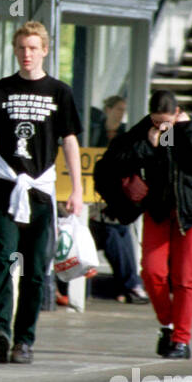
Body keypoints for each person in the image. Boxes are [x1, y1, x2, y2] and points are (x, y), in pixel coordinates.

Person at [0, 21, 85, 365]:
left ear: (45, 50)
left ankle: (25, 339)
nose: (26, 54)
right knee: (3, 261)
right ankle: (1, 331)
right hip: (6, 184)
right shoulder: (2, 89)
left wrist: (77, 189)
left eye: (33, 47)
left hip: (40, 189)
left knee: (36, 270)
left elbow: (69, 141)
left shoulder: (59, 92)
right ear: (15, 50)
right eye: (21, 47)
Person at [94, 90, 192, 359]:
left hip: (190, 212)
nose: (162, 127)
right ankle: (168, 324)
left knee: (184, 277)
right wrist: (148, 146)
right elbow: (113, 161)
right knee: (151, 272)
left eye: (167, 122)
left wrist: (182, 130)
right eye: (157, 121)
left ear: (176, 113)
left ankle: (181, 341)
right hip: (159, 210)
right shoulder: (143, 130)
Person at [85, 95, 147, 304]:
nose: (121, 114)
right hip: (89, 208)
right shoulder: (92, 132)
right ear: (108, 109)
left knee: (121, 227)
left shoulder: (123, 136)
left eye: (124, 110)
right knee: (113, 231)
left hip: (107, 205)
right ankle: (131, 285)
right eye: (118, 109)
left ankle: (131, 284)